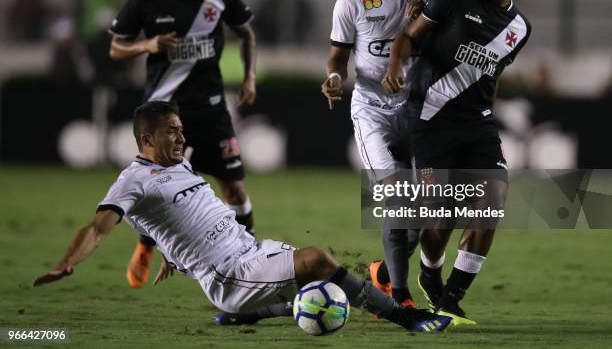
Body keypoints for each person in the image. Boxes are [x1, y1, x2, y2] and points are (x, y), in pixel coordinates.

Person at [32, 101, 451, 334]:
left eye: (181, 129)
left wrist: (169, 252)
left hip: (249, 251)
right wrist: (68, 261)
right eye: (172, 131)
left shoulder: (176, 166)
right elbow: (100, 225)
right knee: (320, 261)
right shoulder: (132, 181)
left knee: (324, 288)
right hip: (228, 274)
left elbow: (166, 219)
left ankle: (249, 315)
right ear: (146, 139)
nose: (182, 137)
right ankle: (405, 316)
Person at [382, 0, 531, 324]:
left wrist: (487, 115)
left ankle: (451, 297)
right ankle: (430, 269)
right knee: (440, 210)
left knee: (493, 201)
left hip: (476, 124)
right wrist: (396, 66)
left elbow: (491, 76)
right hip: (429, 122)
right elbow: (407, 39)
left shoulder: (519, 29)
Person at [108, 0, 257, 289]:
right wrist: (147, 45)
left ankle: (246, 256)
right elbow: (116, 48)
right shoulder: (145, 1)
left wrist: (249, 77)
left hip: (211, 111)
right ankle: (145, 246)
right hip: (163, 114)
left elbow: (246, 33)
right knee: (159, 190)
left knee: (234, 189)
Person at [320, 0, 440, 308]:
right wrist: (335, 79)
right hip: (372, 110)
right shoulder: (351, 0)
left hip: (418, 112)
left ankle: (384, 273)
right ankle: (400, 297)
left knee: (427, 215)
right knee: (396, 200)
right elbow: (337, 59)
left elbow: (447, 45)